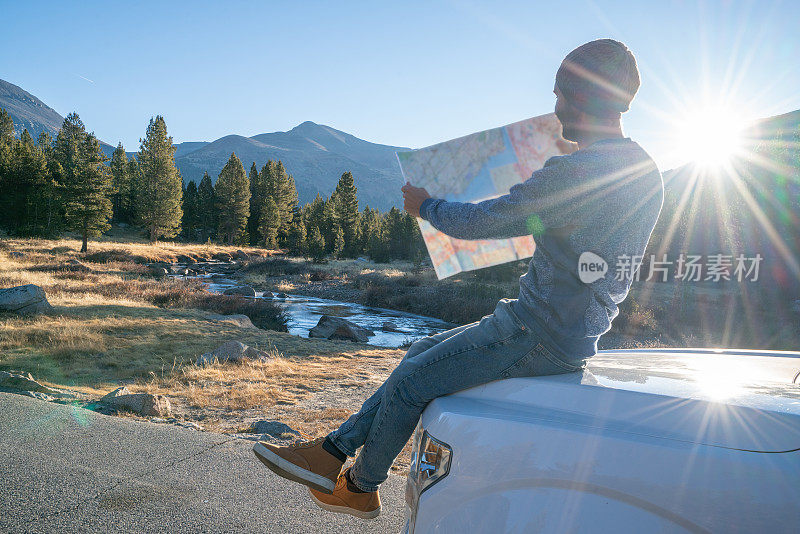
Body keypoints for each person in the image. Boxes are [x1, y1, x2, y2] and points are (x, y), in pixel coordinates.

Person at [252, 38, 664, 519]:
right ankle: (331, 452)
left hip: (539, 332)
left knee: (411, 383)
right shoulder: (643, 169)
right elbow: (570, 238)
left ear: (582, 98)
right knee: (417, 353)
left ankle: (361, 487)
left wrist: (425, 206)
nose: (555, 108)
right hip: (560, 328)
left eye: (559, 95)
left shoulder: (580, 170)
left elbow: (484, 224)